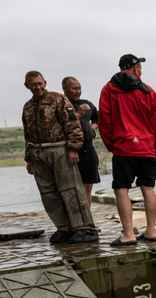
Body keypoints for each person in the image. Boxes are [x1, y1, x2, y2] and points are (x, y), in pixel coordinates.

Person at [98, 54, 156, 247]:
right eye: (140, 67)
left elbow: (104, 119)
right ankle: (151, 231)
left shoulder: (108, 89)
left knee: (121, 188)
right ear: (134, 68)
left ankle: (128, 234)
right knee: (148, 187)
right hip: (146, 148)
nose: (141, 70)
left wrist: (111, 145)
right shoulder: (148, 91)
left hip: (123, 147)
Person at [21, 70, 98, 244]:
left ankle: (85, 228)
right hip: (38, 153)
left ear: (45, 83)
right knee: (49, 194)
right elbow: (27, 133)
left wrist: (73, 149)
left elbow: (73, 123)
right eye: (34, 84)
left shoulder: (58, 99)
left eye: (40, 83)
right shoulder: (27, 107)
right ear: (27, 86)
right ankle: (64, 228)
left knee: (71, 190)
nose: (38, 87)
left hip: (59, 150)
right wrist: (28, 159)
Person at [62, 76, 101, 206]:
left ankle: (87, 220)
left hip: (89, 151)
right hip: (72, 152)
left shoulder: (87, 104)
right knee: (73, 189)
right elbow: (62, 126)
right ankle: (75, 222)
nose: (78, 91)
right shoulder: (61, 106)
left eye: (79, 88)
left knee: (88, 186)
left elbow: (98, 117)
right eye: (74, 88)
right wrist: (78, 114)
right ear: (65, 89)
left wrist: (92, 128)